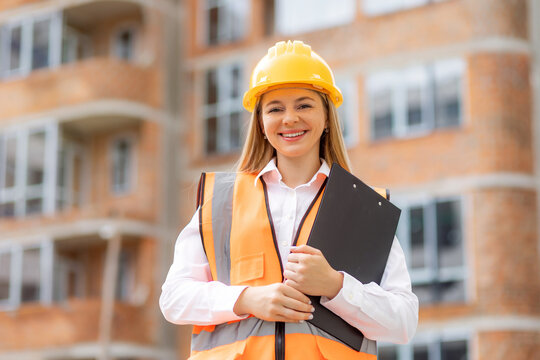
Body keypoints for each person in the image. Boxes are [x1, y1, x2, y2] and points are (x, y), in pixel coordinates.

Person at [160, 40, 418, 360]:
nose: (290, 118)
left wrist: (336, 286)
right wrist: (246, 299)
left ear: (326, 118)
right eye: (275, 108)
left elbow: (404, 321)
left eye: (304, 105)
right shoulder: (221, 203)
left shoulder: (362, 209)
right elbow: (173, 299)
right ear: (261, 123)